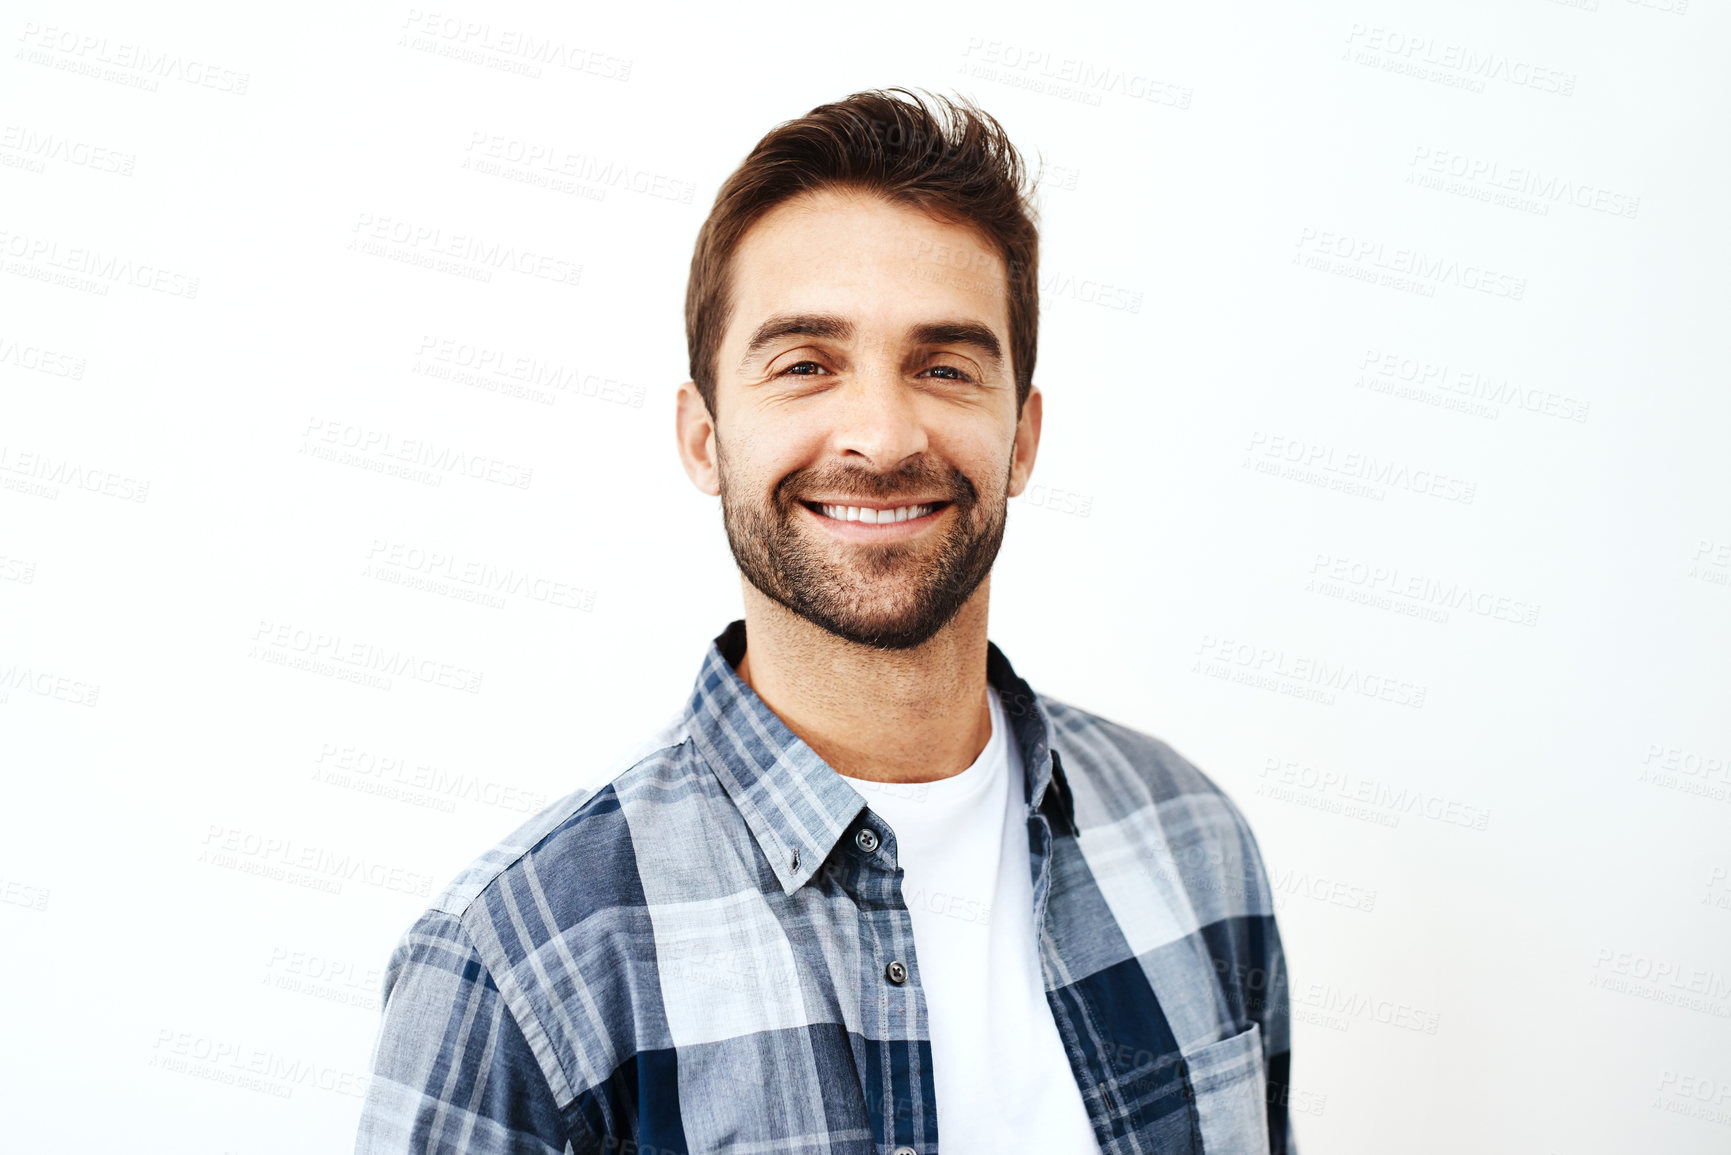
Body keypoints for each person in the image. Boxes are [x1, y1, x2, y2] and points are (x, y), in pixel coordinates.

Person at [355, 87, 1294, 1155]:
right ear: (705, 437)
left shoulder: (1192, 840)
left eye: (945, 366)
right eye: (805, 364)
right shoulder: (520, 964)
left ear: (1022, 436)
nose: (884, 435)